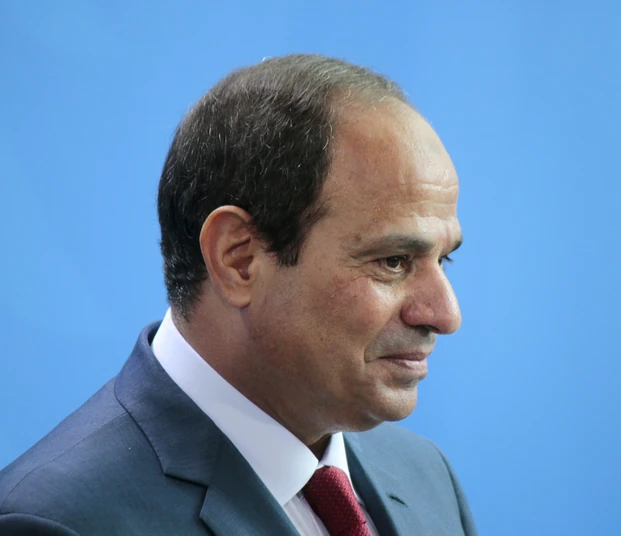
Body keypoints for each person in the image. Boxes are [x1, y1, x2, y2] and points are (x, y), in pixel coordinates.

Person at [0, 54, 476, 535]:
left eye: (444, 259)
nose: (445, 314)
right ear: (239, 260)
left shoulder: (427, 478)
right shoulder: (56, 521)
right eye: (393, 261)